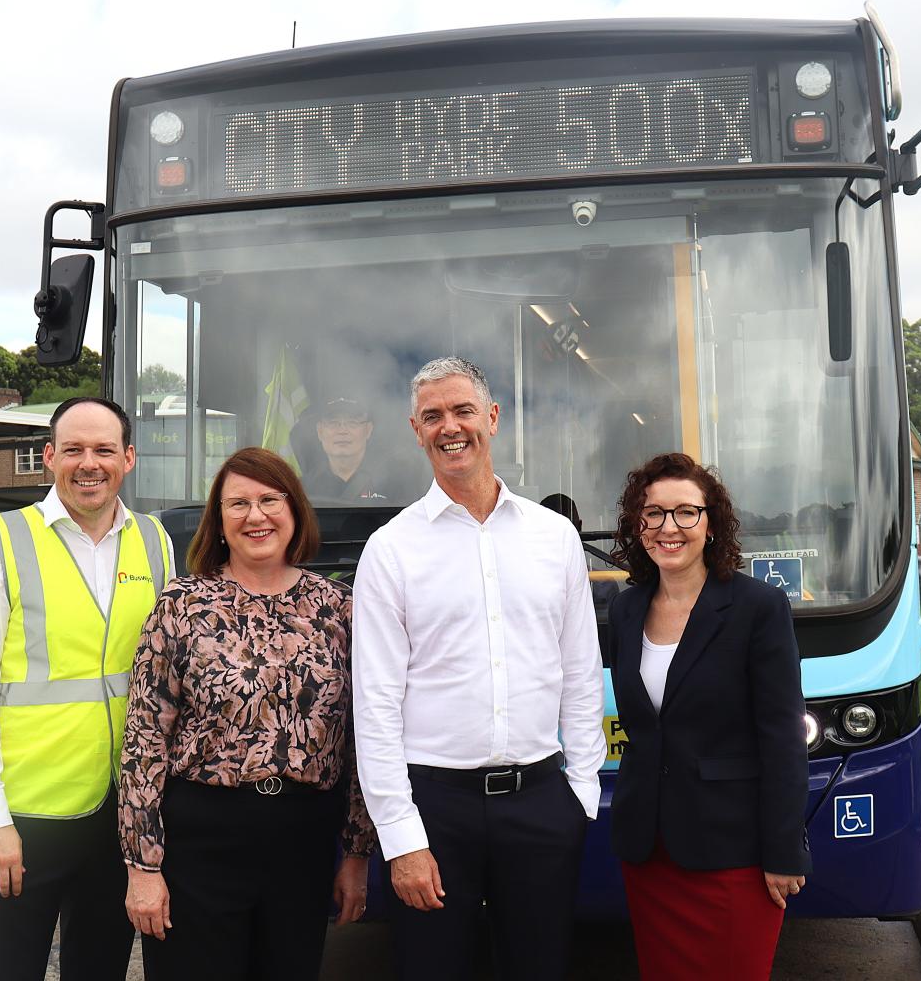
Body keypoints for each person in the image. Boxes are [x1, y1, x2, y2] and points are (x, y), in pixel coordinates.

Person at [352, 357, 605, 981]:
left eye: (463, 410)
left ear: (491, 418)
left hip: (543, 803)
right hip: (435, 809)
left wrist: (582, 792)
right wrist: (401, 836)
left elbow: (580, 670)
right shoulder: (391, 549)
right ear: (416, 430)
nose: (450, 427)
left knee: (540, 967)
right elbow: (375, 704)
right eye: (433, 416)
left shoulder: (554, 538)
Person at [118, 446, 376, 981]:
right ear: (218, 521)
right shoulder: (181, 606)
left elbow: (360, 740)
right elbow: (145, 739)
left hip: (302, 842)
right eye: (237, 504)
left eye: (268, 500)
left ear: (295, 510)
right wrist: (143, 867)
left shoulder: (338, 609)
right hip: (201, 843)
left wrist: (356, 853)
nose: (255, 516)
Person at [0, 396, 174, 981]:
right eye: (73, 449)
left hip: (120, 815)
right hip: (26, 816)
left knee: (98, 969)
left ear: (129, 459)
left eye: (103, 449)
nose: (88, 463)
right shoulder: (1, 541)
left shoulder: (155, 541)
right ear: (49, 457)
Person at [607, 451, 811, 980]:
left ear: (711, 523)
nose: (668, 527)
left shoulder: (757, 607)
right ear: (638, 525)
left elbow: (783, 738)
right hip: (649, 852)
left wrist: (785, 850)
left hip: (733, 853)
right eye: (653, 513)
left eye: (685, 512)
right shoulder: (626, 609)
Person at [304, 396, 389, 502]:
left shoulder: (391, 482)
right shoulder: (303, 488)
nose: (342, 431)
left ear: (368, 430)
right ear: (320, 431)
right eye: (333, 423)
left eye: (352, 423)